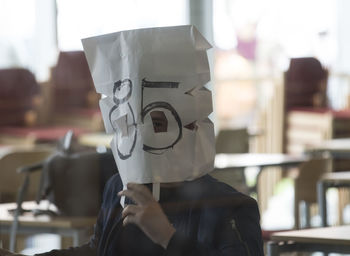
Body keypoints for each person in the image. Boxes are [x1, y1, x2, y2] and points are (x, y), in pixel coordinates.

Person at [0, 25, 264, 255]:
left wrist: (167, 237)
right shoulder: (120, 190)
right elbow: (98, 250)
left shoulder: (229, 207)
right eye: (128, 124)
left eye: (158, 123)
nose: (145, 135)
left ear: (192, 123)